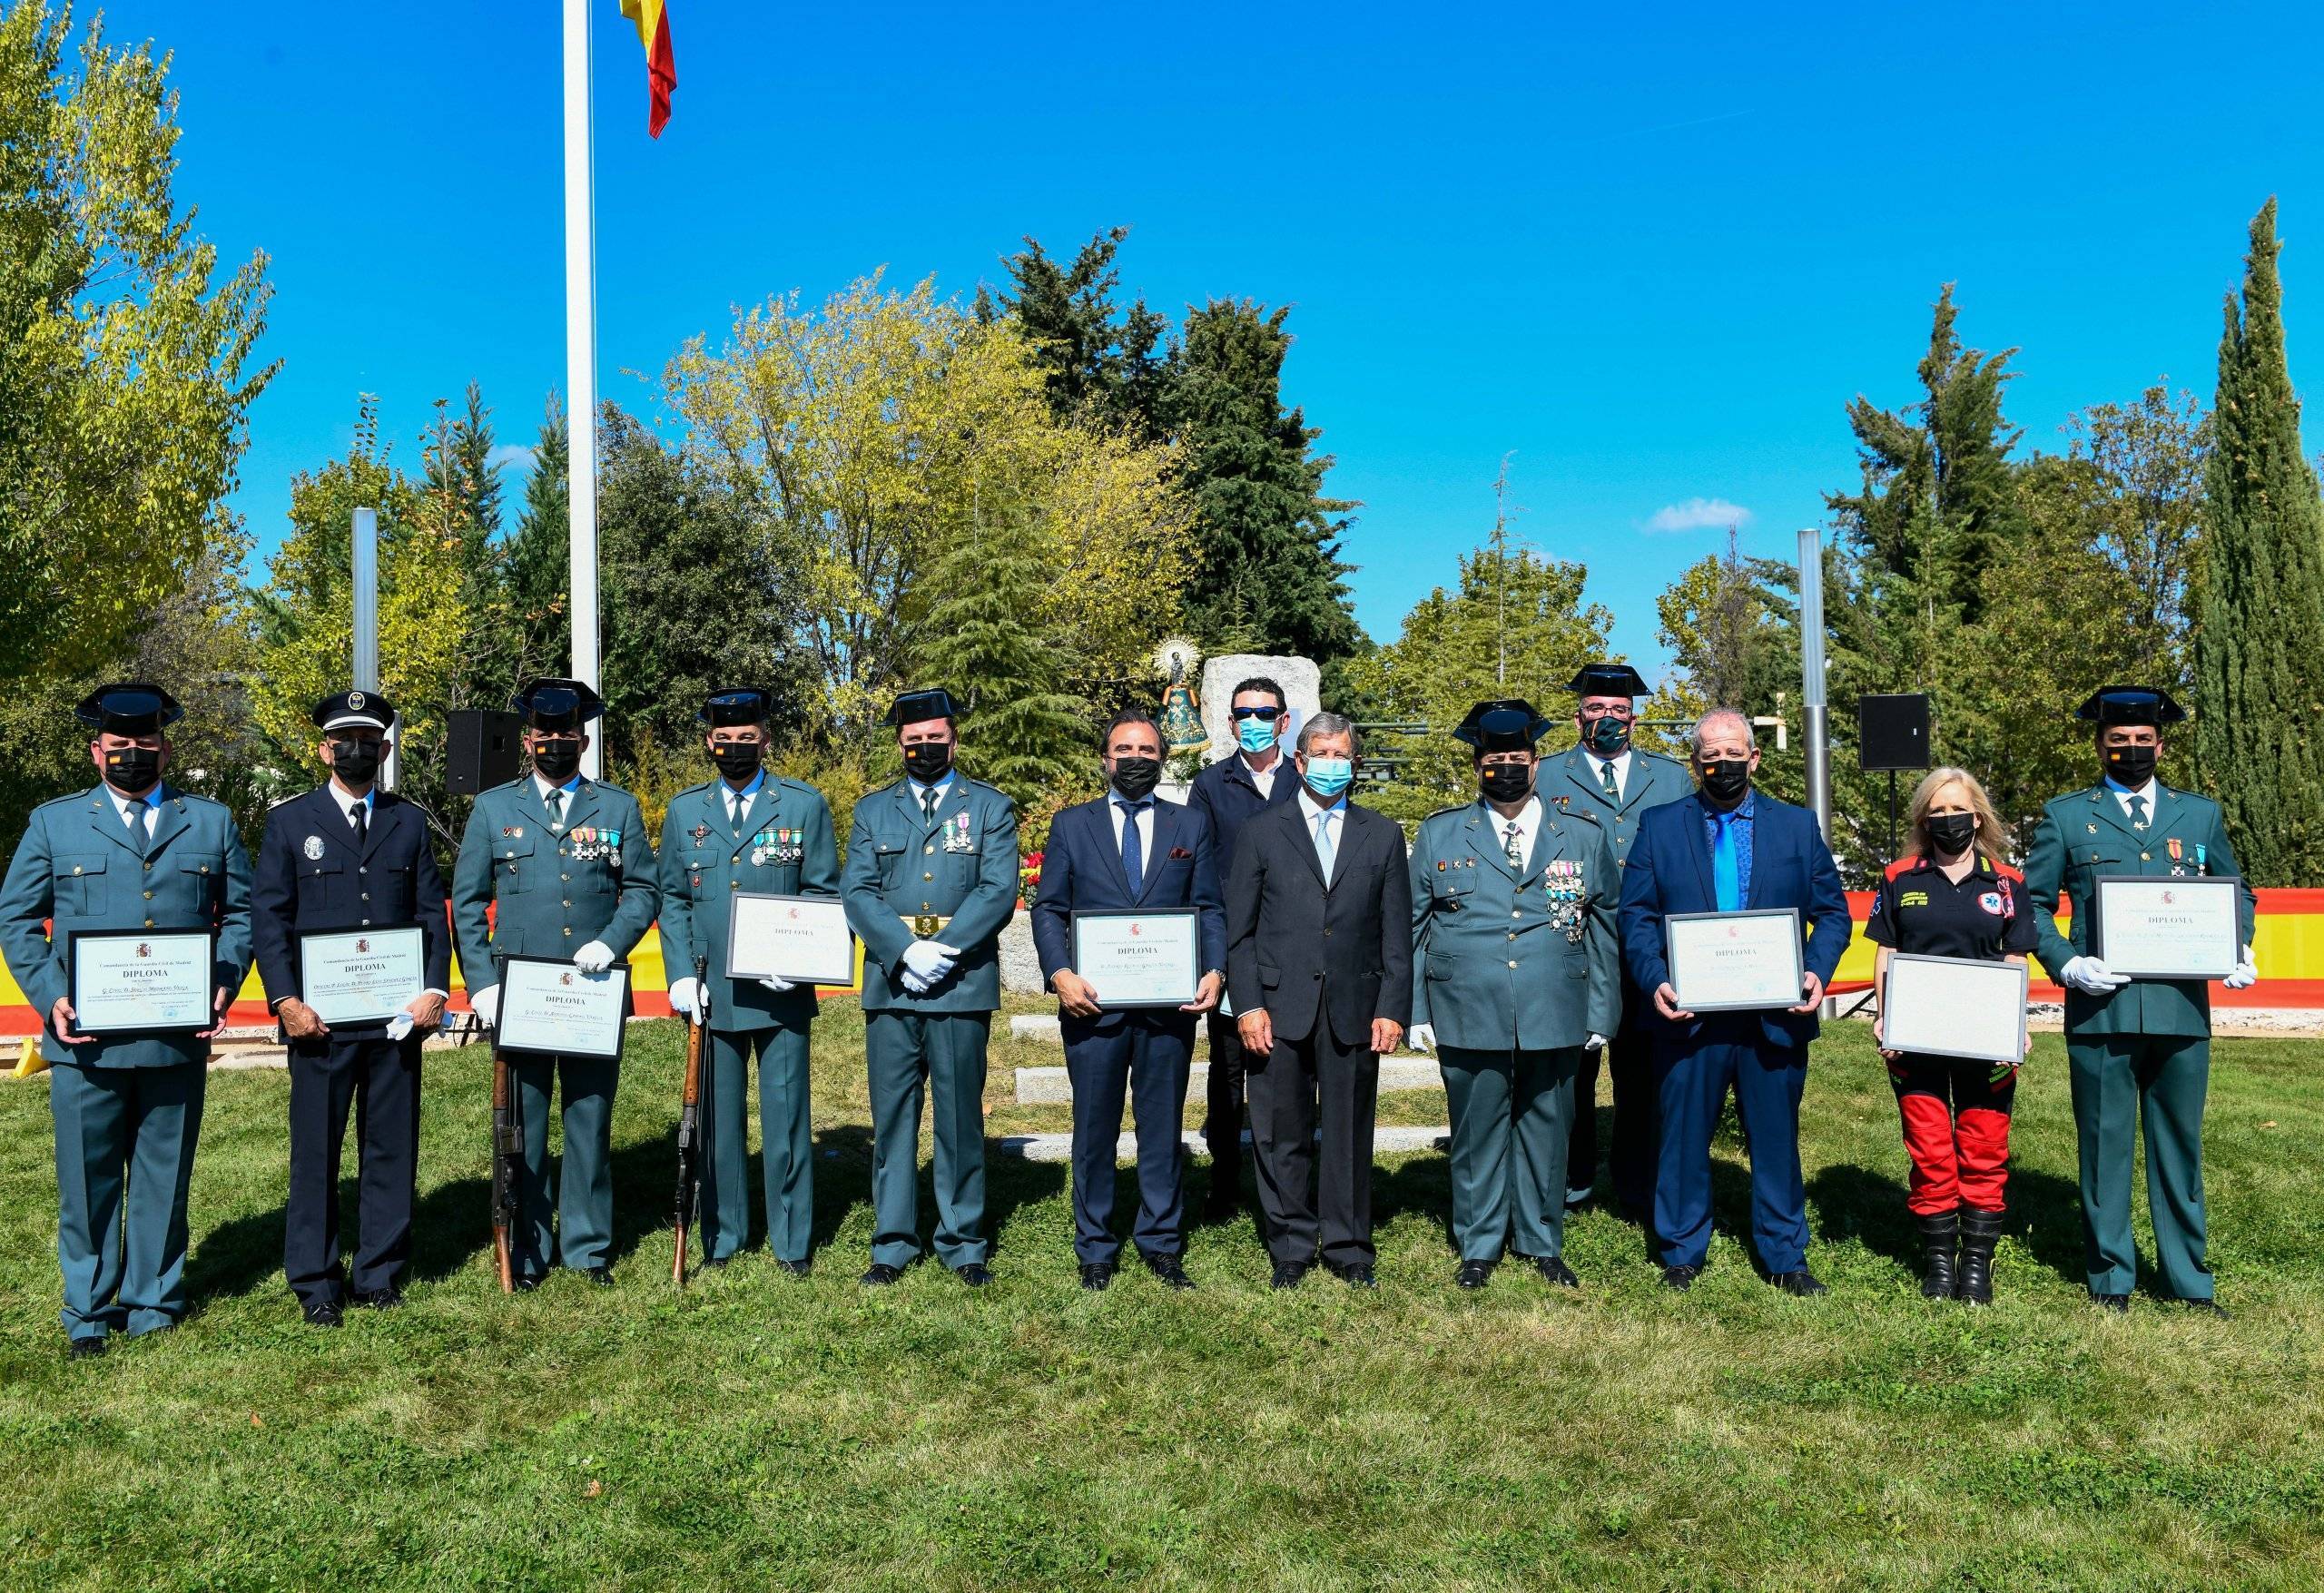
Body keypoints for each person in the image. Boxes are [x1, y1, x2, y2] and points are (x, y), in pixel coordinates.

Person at [0, 683, 252, 1358]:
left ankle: (153, 1300)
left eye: (145, 746)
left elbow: (242, 916)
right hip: (84, 1041)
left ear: (166, 747)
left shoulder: (210, 822)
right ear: (95, 752)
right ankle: (88, 1309)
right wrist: (50, 992)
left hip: (175, 1038)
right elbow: (18, 917)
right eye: (119, 748)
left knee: (165, 1179)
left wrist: (222, 984)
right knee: (87, 1182)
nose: (133, 757)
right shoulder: (54, 824)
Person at [2023, 687, 2256, 1315]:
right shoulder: (2068, 816)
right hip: (2103, 1011)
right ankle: (2111, 1278)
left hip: (2182, 1010)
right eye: (2117, 742)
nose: (2130, 751)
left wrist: (2239, 944)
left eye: (2142, 741)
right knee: (2104, 1146)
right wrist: (2067, 964)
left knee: (2180, 1147)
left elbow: (2235, 890)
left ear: (2162, 744)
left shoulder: (2198, 815)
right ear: (2099, 745)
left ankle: (2188, 1280)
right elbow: (2033, 904)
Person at [1617, 708, 1851, 1295]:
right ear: (1695, 761)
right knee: (1683, 1137)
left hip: (1774, 1016)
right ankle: (1681, 1248)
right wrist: (1654, 979)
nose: (1721, 764)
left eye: (1732, 753)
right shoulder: (1660, 825)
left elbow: (1833, 913)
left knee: (1776, 1138)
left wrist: (1817, 972)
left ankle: (1783, 1253)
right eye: (1709, 755)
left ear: (1755, 757)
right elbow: (1637, 917)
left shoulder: (1797, 827)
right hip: (1689, 1014)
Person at [251, 691, 451, 1325]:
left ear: (384, 750)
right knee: (316, 1152)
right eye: (345, 740)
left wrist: (434, 989)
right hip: (318, 1025)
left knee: (391, 1148)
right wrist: (284, 1000)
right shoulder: (290, 822)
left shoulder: (409, 821)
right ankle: (316, 1281)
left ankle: (379, 1273)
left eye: (369, 740)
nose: (356, 749)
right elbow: (270, 919)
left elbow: (429, 913)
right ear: (324, 750)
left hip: (395, 1022)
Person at [451, 678, 658, 1287]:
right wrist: (482, 984)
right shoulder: (493, 807)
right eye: (545, 734)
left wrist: (612, 941)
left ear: (583, 739)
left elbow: (643, 888)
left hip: (592, 992)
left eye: (566, 735)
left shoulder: (616, 807)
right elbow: (467, 902)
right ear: (529, 739)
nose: (555, 744)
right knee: (525, 1122)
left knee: (590, 1120)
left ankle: (589, 1246)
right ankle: (530, 1245)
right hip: (521, 996)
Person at [1407, 701, 1619, 1290]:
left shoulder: (1580, 835)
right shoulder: (1440, 832)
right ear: (1478, 766)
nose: (1507, 767)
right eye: (1495, 759)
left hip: (1555, 1005)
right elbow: (1414, 927)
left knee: (1548, 1126)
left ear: (1536, 761)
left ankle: (1540, 1239)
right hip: (1467, 1007)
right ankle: (1478, 1243)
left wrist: (1601, 1008)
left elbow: (1605, 924)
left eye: (1518, 758)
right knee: (1476, 1131)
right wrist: (1416, 1010)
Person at [1029, 711, 1227, 1290]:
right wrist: (1060, 972)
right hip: (1092, 1004)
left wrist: (1215, 970)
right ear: (1105, 758)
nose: (1135, 759)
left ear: (1161, 758)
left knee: (1162, 1124)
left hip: (1170, 1006)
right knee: (1094, 1126)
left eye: (1146, 749)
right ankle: (1094, 1246)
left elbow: (1209, 905)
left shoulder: (1188, 826)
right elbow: (1048, 909)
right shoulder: (1072, 825)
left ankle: (1161, 1241)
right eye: (1124, 749)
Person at [1225, 712, 1413, 1289]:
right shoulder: (1261, 830)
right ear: (1300, 761)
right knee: (1282, 1130)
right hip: (1278, 1007)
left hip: (1355, 1004)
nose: (1332, 765)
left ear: (1354, 763)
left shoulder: (1381, 833)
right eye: (1321, 754)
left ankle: (1350, 1243)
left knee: (1351, 1129)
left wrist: (1392, 1006)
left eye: (1343, 755)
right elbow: (1240, 931)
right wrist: (1248, 1004)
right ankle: (1291, 1243)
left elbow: (1396, 933)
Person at [841, 687, 1019, 1287]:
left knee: (960, 1117)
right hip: (891, 986)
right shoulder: (873, 810)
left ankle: (963, 1239)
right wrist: (903, 949)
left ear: (954, 739)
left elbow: (998, 888)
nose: (924, 749)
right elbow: (857, 890)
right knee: (893, 1118)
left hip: (961, 983)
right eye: (914, 741)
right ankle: (892, 1242)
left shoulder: (990, 807)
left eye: (935, 739)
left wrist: (942, 949)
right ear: (900, 743)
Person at [656, 688, 840, 1274]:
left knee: (786, 1117)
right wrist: (681, 977)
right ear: (709, 741)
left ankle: (791, 1241)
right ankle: (725, 1235)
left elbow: (822, 891)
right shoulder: (686, 812)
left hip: (781, 991)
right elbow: (674, 899)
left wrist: (803, 958)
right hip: (712, 994)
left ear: (765, 737)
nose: (735, 747)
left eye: (746, 737)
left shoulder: (802, 806)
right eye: (724, 739)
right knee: (717, 1124)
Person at [1864, 767, 2034, 1304]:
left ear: (1977, 815)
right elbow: (1886, 952)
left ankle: (1977, 1270)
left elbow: (2014, 958)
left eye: (1956, 810)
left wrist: (2016, 1025)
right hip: (1916, 1038)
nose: (1948, 821)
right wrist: (1885, 1017)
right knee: (1931, 1150)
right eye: (1936, 813)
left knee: (1984, 1149)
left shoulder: (2008, 882)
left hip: (1985, 1039)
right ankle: (1940, 1268)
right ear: (1922, 820)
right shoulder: (1898, 878)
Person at [1540, 662, 1695, 1220]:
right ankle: (1571, 1185)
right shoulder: (1549, 775)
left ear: (1634, 716)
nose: (1608, 718)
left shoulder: (1671, 777)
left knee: (1643, 1074)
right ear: (1579, 714)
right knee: (1569, 1073)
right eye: (1597, 708)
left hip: (1648, 945)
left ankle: (1637, 1187)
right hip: (1575, 944)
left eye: (1619, 710)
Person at [1185, 676, 1300, 1218]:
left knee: (1295, 1062)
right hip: (1235, 943)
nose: (1254, 721)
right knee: (1228, 1068)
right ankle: (1225, 1181)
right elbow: (1201, 868)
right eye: (1243, 713)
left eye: (1265, 712)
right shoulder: (1211, 784)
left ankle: (1293, 1179)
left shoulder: (1306, 779)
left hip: (1296, 943)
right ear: (1230, 722)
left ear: (1284, 720)